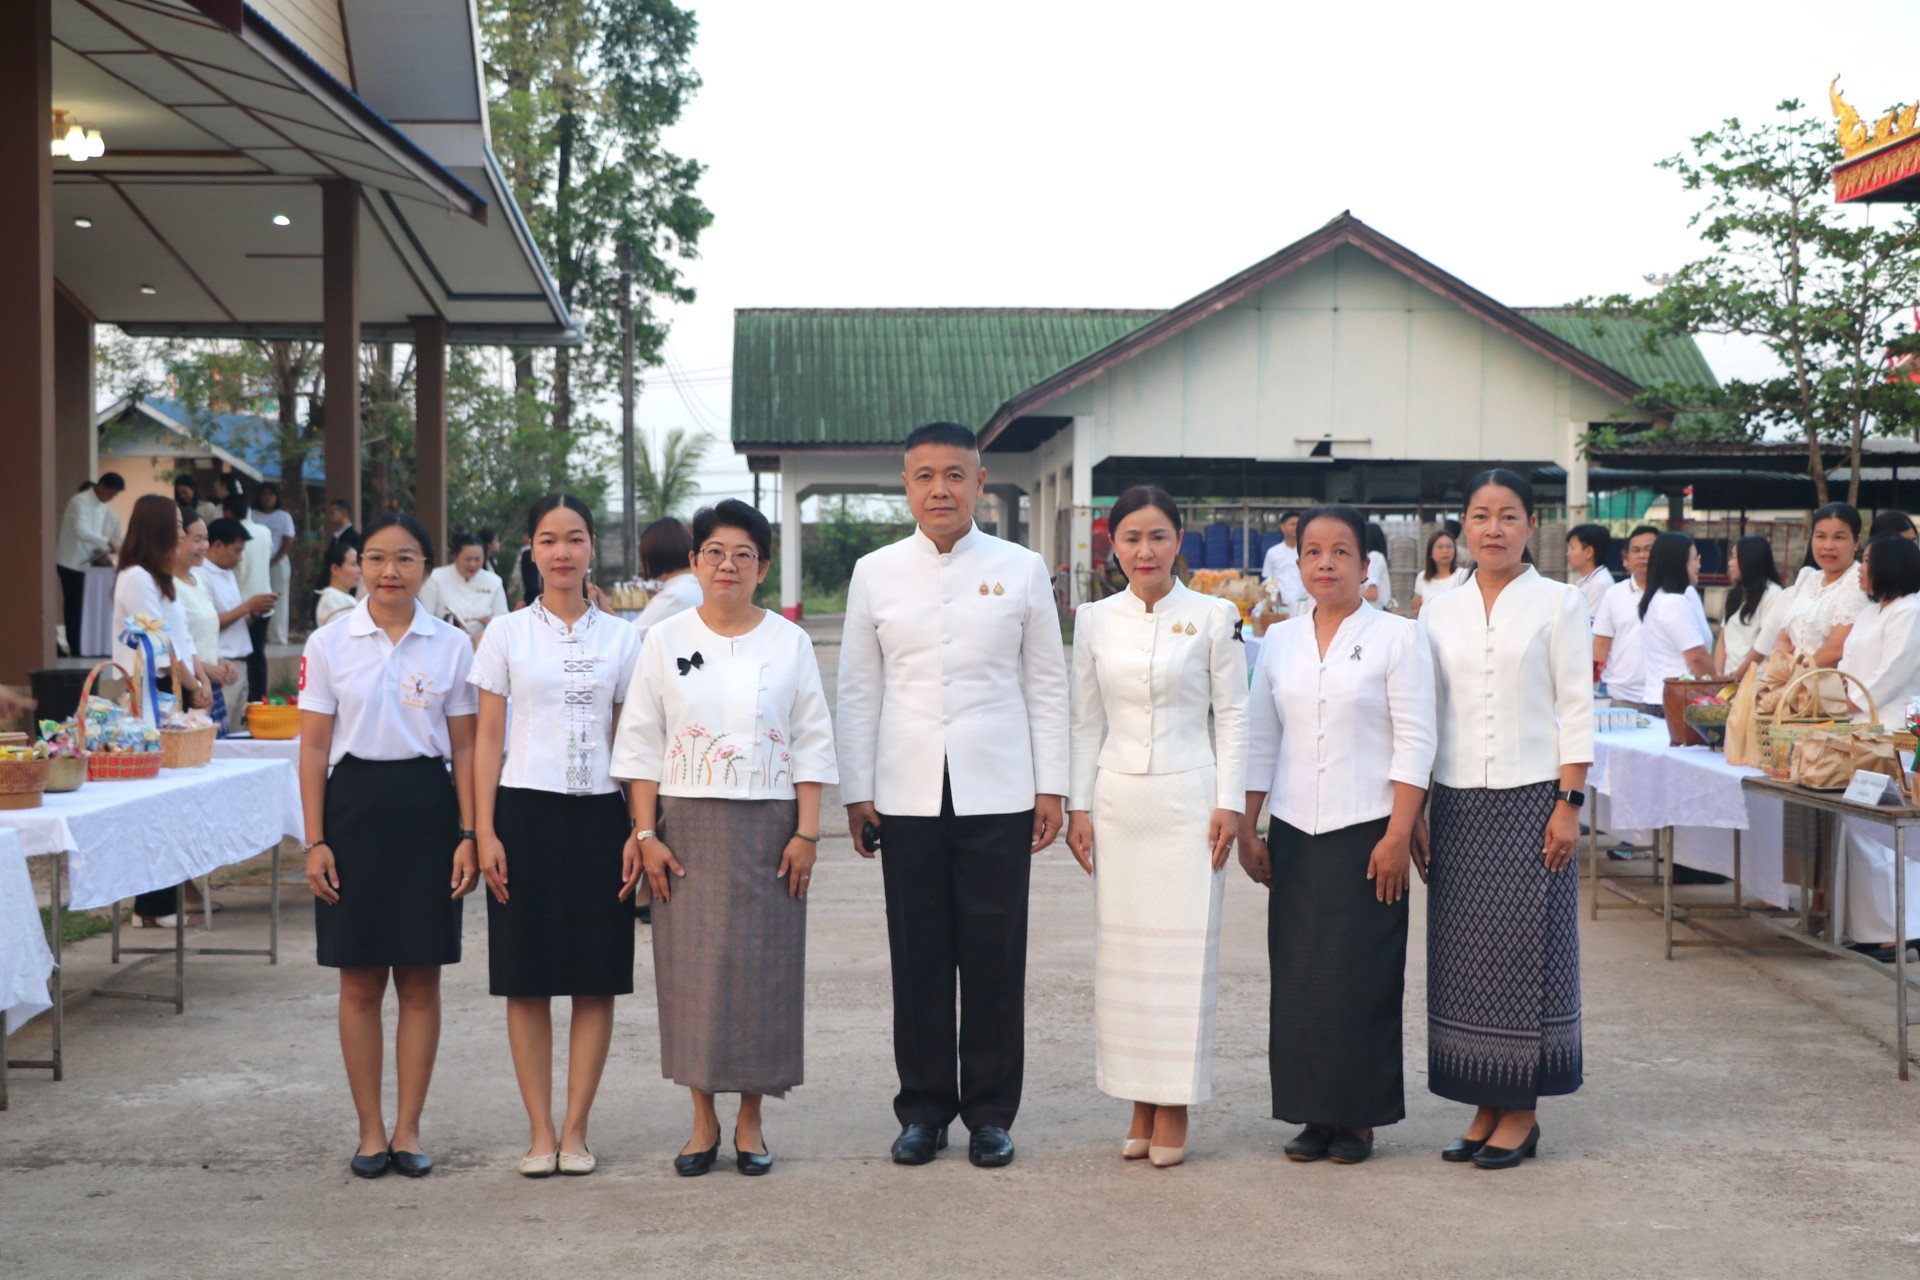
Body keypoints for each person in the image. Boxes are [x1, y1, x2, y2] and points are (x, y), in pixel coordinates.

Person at [838, 421, 1069, 1170]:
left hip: (998, 790)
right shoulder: (875, 572)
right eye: (924, 476)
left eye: (954, 475)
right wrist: (858, 790)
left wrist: (1052, 786)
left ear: (979, 481)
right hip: (905, 792)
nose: (940, 489)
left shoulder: (1022, 569)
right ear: (906, 486)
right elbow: (858, 689)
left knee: (995, 957)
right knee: (919, 957)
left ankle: (991, 1114)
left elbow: (1046, 684)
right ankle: (924, 1110)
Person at [612, 499, 837, 1178]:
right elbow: (642, 742)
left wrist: (807, 832)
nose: (727, 565)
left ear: (762, 568)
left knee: (764, 973)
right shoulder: (664, 640)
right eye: (714, 552)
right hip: (684, 829)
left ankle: (751, 1120)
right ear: (694, 562)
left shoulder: (789, 643)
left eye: (743, 554)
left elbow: (812, 740)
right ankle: (702, 1119)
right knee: (694, 975)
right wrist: (645, 831)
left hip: (771, 828)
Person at [1241, 504, 1436, 1167]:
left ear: (1365, 563)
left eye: (1341, 552)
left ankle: (1357, 1118)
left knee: (1361, 976)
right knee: (1300, 976)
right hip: (1296, 829)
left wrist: (1399, 831)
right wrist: (1249, 824)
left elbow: (1415, 739)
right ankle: (1313, 1113)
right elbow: (1262, 737)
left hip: (1368, 831)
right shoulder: (1280, 640)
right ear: (1297, 563)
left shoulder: (1396, 637)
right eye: (1313, 552)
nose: (1326, 563)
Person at [1064, 486, 1246, 1169]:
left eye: (1159, 536)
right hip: (1118, 803)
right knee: (1126, 960)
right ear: (1113, 546)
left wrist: (1231, 803)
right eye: (1132, 538)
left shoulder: (1213, 615)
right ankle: (1137, 1100)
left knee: (1182, 958)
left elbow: (1234, 715)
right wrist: (1078, 806)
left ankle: (1174, 1105)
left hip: (1190, 804)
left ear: (1179, 542)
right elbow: (1084, 720)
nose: (1146, 551)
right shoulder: (1094, 620)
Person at [1418, 468, 1592, 1170]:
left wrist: (1569, 805)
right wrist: (1417, 809)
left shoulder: (1559, 602)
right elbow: (1425, 713)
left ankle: (1521, 1111)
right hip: (1458, 800)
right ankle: (1483, 1103)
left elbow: (1576, 707)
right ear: (1463, 524)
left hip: (1533, 800)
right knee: (1465, 957)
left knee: (1526, 952)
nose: (1494, 528)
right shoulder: (1438, 608)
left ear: (1531, 525)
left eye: (1509, 515)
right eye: (1481, 515)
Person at [298, 512, 479, 1180]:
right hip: (352, 813)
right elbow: (313, 748)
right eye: (375, 558)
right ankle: (370, 1132)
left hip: (429, 812)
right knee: (359, 979)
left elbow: (466, 748)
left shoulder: (451, 646)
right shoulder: (330, 642)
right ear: (358, 566)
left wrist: (469, 834)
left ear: (426, 568)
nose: (389, 571)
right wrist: (315, 840)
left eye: (405, 558)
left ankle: (408, 1129)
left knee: (422, 979)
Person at [472, 495, 643, 1178]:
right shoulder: (505, 634)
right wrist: (482, 830)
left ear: (592, 547)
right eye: (548, 539)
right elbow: (487, 739)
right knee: (527, 980)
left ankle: (576, 1130)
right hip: (523, 814)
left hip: (602, 816)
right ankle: (539, 1131)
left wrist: (638, 827)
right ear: (532, 549)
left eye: (574, 538)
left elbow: (633, 743)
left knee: (595, 979)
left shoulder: (624, 639)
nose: (562, 552)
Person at [1839, 534, 1920, 958]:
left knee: (1887, 834)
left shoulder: (1911, 610)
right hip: (1859, 729)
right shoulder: (1872, 611)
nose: (1860, 569)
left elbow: (1893, 672)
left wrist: (1851, 699)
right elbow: (1847, 663)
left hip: (1892, 732)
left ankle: (1899, 930)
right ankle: (1870, 927)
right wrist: (1838, 695)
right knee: (1860, 829)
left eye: (1866, 560)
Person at [1771, 503, 1869, 690]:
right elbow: (1784, 636)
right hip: (1789, 686)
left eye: (1839, 537)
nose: (1828, 546)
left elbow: (1836, 649)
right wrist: (1781, 668)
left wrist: (1796, 678)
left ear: (1856, 541)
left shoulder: (1857, 584)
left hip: (1828, 691)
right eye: (1821, 536)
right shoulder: (1808, 579)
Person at [173, 512, 240, 737]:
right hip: (190, 688)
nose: (205, 546)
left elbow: (203, 633)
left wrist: (220, 661)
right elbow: (174, 645)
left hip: (210, 688)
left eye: (206, 539)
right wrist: (205, 671)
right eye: (197, 539)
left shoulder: (199, 579)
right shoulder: (168, 587)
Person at [201, 519, 275, 725]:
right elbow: (210, 624)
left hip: (241, 661)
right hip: (221, 664)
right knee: (221, 731)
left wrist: (256, 612)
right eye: (237, 551)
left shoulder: (229, 574)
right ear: (218, 545)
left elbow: (236, 622)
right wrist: (248, 606)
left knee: (237, 729)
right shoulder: (202, 575)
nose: (240, 558)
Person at [1635, 532, 1714, 704]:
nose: (1699, 565)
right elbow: (1697, 657)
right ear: (1679, 562)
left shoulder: (1659, 599)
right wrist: (1717, 689)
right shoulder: (1673, 603)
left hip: (1663, 698)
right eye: (1695, 558)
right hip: (1677, 701)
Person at [56, 472, 125, 656]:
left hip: (88, 564)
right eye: (110, 493)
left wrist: (101, 550)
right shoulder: (80, 501)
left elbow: (94, 534)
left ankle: (88, 646)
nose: (111, 498)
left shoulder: (102, 505)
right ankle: (76, 648)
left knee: (87, 608)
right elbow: (81, 531)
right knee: (74, 607)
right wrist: (107, 542)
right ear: (100, 487)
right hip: (70, 563)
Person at [1591, 525, 1658, 704]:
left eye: (1649, 549)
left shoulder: (1676, 594)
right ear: (1626, 558)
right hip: (1621, 697)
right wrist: (1592, 686)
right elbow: (1600, 646)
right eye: (1636, 550)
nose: (1642, 555)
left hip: (1664, 697)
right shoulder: (1613, 594)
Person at [223, 490, 277, 704]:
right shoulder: (264, 531)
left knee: (242, 656)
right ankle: (259, 701)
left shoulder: (232, 537)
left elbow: (236, 570)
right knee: (258, 655)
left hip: (241, 605)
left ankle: (248, 702)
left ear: (227, 512)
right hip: (265, 599)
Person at [1717, 536, 1785, 681]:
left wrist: (1736, 677)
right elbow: (1722, 639)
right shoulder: (1735, 594)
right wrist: (1718, 675)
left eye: (1734, 557)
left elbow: (1763, 646)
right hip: (1728, 681)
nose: (1730, 563)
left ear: (1749, 560)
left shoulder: (1773, 594)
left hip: (1755, 682)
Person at [420, 534, 510, 640]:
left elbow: (502, 618)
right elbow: (426, 616)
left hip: (483, 642)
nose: (473, 564)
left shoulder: (494, 581)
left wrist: (489, 623)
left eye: (477, 559)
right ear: (455, 556)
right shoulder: (435, 578)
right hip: (444, 641)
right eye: (468, 559)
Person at [631, 518, 702, 644]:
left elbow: (630, 639)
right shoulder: (697, 585)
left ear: (653, 556)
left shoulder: (674, 596)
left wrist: (605, 609)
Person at [254, 483, 297, 646]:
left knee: (278, 598)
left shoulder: (283, 516)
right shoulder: (253, 515)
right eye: (264, 494)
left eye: (271, 494)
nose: (267, 498)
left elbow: (288, 539)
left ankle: (278, 636)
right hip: (257, 560)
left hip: (277, 560)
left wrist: (275, 560)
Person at [1413, 528, 1470, 617]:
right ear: (1430, 552)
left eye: (1449, 546)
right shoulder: (1422, 577)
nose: (1445, 551)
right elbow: (1416, 610)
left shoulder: (1463, 574)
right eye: (1440, 547)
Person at [1260, 510, 1304, 615]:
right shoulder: (1273, 552)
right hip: (1281, 606)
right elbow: (1268, 578)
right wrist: (1274, 598)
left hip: (1305, 603)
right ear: (1282, 527)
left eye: (1299, 524)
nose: (1296, 527)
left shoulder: (1308, 551)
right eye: (1292, 524)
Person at [1566, 524, 1615, 619]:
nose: (1568, 554)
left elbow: (1588, 624)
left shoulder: (1599, 584)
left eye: (1572, 548)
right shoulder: (1591, 580)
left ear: (1589, 552)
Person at [315, 539, 362, 629]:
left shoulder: (341, 598)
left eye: (359, 564)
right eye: (353, 564)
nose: (359, 570)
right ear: (335, 569)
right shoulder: (332, 601)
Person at [1360, 521, 1394, 611]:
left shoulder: (1373, 557)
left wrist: (1348, 595)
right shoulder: (1378, 556)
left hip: (1373, 610)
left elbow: (1372, 594)